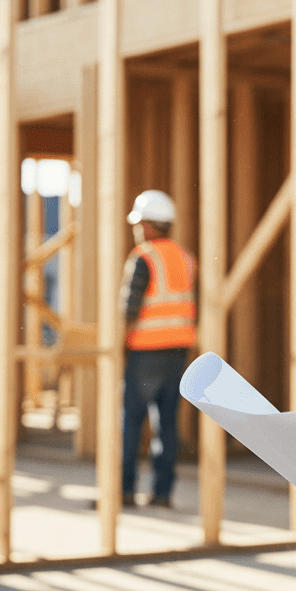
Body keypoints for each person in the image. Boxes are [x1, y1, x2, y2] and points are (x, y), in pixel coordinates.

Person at [119, 190, 196, 509]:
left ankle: (124, 491)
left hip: (146, 351)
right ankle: (162, 494)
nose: (137, 230)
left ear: (149, 225)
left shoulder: (144, 257)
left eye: (139, 224)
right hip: (178, 352)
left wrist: (117, 343)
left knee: (132, 423)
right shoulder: (185, 258)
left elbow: (129, 309)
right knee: (167, 424)